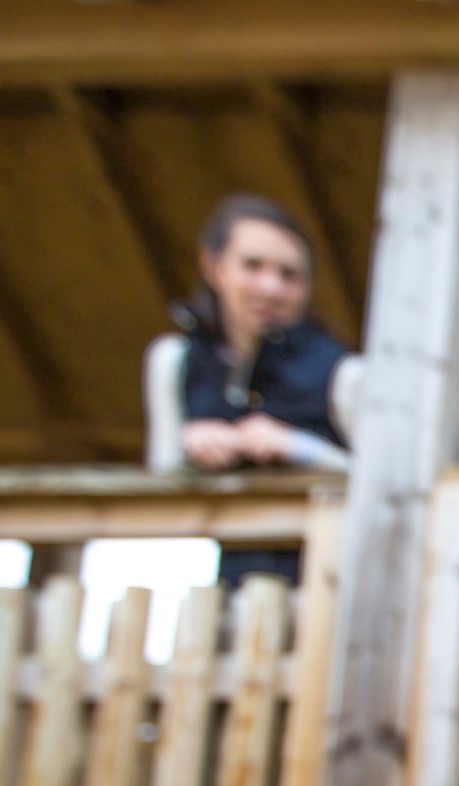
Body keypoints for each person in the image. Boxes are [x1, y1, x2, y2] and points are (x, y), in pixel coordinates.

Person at [144, 194, 360, 587]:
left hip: (325, 588)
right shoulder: (174, 361)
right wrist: (190, 446)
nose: (271, 287)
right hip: (219, 587)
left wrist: (299, 448)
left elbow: (386, 484)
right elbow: (160, 474)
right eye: (253, 266)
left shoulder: (343, 374)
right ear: (213, 266)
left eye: (289, 275)